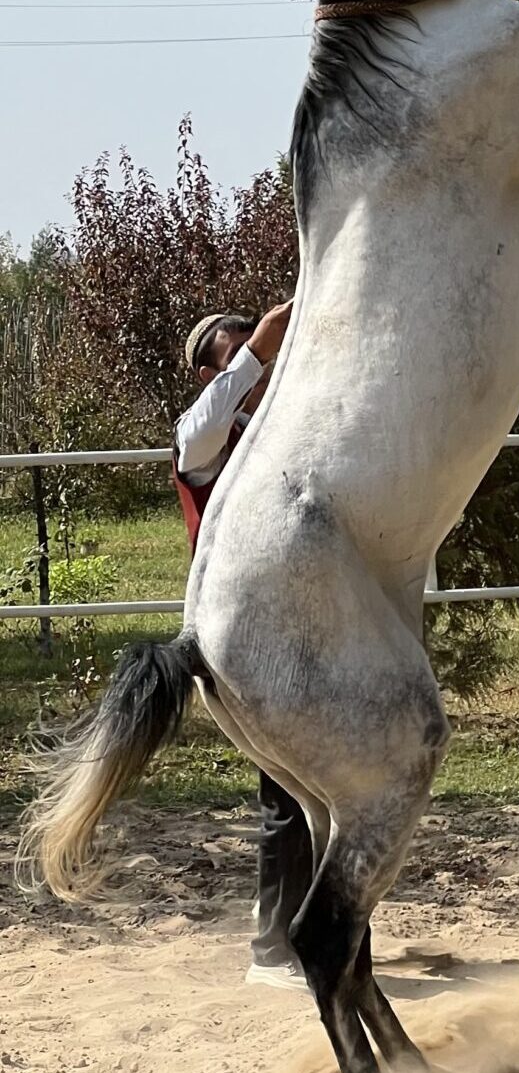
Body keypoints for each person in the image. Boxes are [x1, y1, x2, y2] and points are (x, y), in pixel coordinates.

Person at [175, 300, 312, 992]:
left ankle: (296, 931)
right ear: (210, 374)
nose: (258, 366)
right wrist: (258, 346)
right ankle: (272, 949)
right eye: (237, 357)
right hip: (244, 638)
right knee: (287, 788)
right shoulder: (202, 437)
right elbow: (195, 432)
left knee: (307, 782)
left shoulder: (269, 428)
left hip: (287, 628)